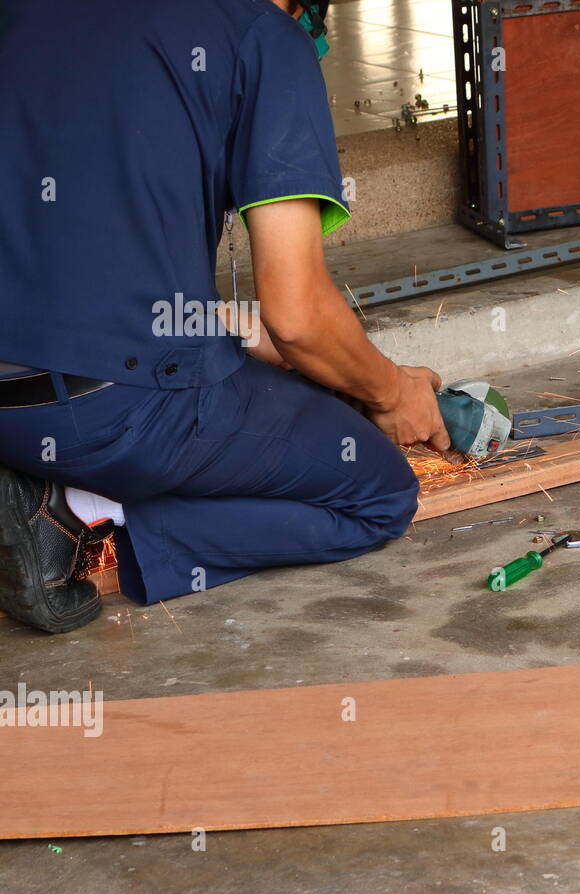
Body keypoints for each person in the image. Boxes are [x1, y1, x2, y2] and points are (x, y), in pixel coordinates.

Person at [0, 0, 451, 634]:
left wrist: (240, 330)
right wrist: (390, 390)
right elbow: (298, 315)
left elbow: (81, 254)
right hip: (100, 411)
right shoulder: (262, 36)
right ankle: (73, 509)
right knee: (377, 491)